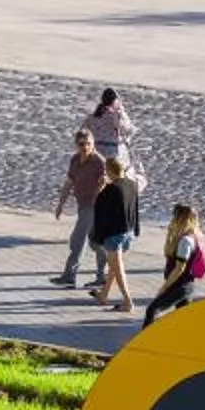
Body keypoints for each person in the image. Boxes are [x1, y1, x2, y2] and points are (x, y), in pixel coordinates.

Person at [51, 129, 107, 288]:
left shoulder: (99, 162)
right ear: (76, 145)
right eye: (82, 144)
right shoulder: (75, 160)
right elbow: (69, 183)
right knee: (96, 243)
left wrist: (97, 196)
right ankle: (104, 275)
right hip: (83, 205)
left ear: (93, 143)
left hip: (95, 206)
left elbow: (104, 182)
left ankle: (70, 275)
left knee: (78, 239)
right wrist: (60, 204)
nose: (85, 147)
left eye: (88, 144)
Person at [142, 204, 205, 327]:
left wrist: (164, 288)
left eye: (175, 217)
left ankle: (143, 341)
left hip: (179, 286)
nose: (172, 220)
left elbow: (179, 268)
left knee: (152, 310)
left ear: (180, 219)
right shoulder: (194, 235)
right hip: (186, 285)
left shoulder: (185, 241)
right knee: (184, 319)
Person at [87, 163, 141, 312]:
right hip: (128, 230)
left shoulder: (111, 189)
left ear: (110, 171)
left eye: (106, 171)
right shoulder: (132, 184)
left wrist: (100, 187)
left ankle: (128, 301)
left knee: (117, 268)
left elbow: (96, 204)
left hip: (114, 233)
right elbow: (134, 209)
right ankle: (103, 295)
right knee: (114, 265)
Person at [83, 87, 134, 168]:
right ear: (115, 102)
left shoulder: (93, 117)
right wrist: (121, 112)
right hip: (113, 155)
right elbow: (128, 130)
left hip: (96, 153)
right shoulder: (117, 116)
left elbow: (83, 133)